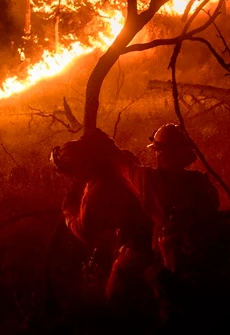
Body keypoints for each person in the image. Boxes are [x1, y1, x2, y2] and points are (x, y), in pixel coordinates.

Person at [110, 123, 230, 332]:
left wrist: (107, 146)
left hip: (181, 276)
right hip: (218, 278)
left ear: (161, 154)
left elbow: (123, 168)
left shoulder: (150, 181)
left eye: (158, 151)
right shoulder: (201, 183)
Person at [52, 131, 157, 325]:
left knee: (117, 299)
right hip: (150, 238)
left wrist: (69, 211)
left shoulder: (98, 186)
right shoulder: (122, 161)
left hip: (135, 247)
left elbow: (85, 230)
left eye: (71, 172)